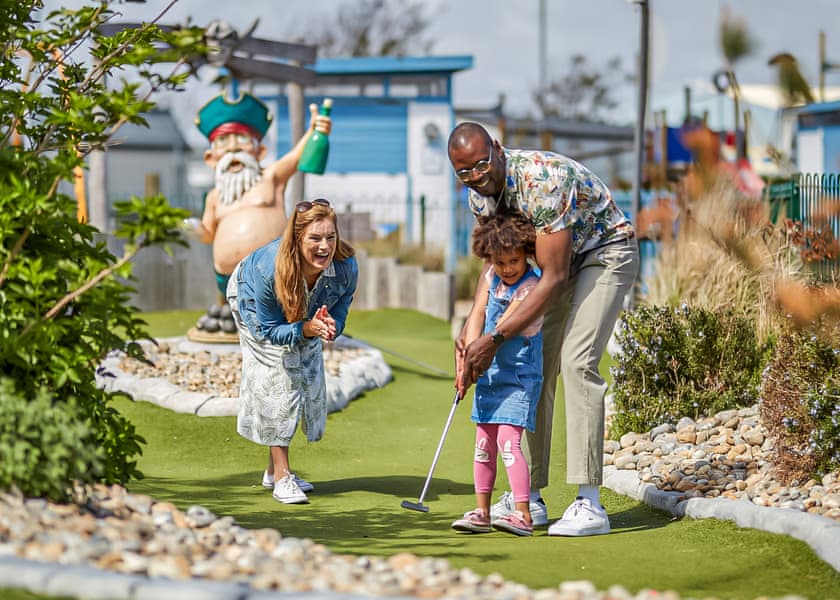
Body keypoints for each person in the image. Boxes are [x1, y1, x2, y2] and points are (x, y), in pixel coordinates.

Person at [447, 122, 639, 536]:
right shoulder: (478, 197)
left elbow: (552, 277)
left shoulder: (542, 180)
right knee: (532, 366)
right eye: (464, 172)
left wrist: (494, 339)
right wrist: (473, 326)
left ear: (497, 150)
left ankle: (590, 504)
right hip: (555, 267)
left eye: (481, 165)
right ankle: (527, 498)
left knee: (576, 363)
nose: (476, 176)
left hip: (605, 252)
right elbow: (493, 265)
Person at [226, 198, 357, 504]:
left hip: (303, 311)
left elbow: (341, 306)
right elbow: (269, 331)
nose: (324, 247)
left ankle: (273, 471)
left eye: (330, 237)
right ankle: (282, 477)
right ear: (297, 239)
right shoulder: (269, 268)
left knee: (306, 375)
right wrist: (305, 328)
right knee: (280, 379)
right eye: (315, 238)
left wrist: (330, 325)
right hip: (254, 310)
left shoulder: (346, 265)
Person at [189, 91, 332, 302]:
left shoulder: (271, 178)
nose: (233, 147)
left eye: (241, 141)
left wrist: (314, 130)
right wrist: (195, 230)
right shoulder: (214, 196)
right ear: (211, 159)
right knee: (240, 317)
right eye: (224, 144)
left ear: (260, 152)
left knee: (274, 318)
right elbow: (209, 234)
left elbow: (296, 157)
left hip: (275, 275)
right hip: (229, 278)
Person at [451, 212, 543, 537]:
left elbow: (505, 326)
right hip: (490, 378)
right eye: (500, 262)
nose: (507, 269)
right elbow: (478, 313)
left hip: (518, 378)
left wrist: (482, 349)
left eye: (513, 261)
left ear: (526, 254)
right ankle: (482, 511)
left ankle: (523, 514)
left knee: (507, 442)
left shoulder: (530, 286)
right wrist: (467, 356)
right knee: (483, 444)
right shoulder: (492, 276)